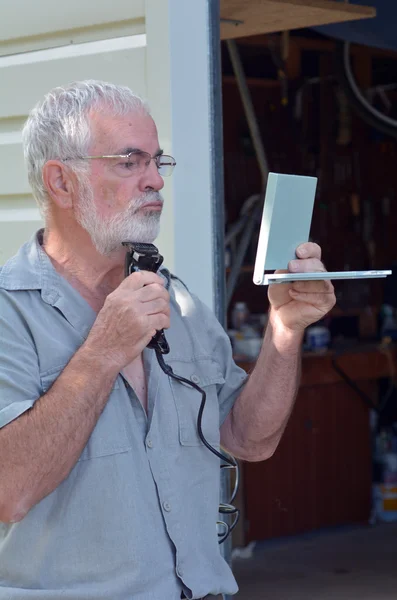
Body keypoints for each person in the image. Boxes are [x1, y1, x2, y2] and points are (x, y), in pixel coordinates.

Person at [0, 80, 336, 600]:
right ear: (61, 183)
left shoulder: (177, 302)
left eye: (159, 162)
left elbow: (249, 438)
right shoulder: (8, 312)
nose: (155, 180)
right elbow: (9, 491)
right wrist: (102, 353)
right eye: (129, 162)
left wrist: (285, 332)